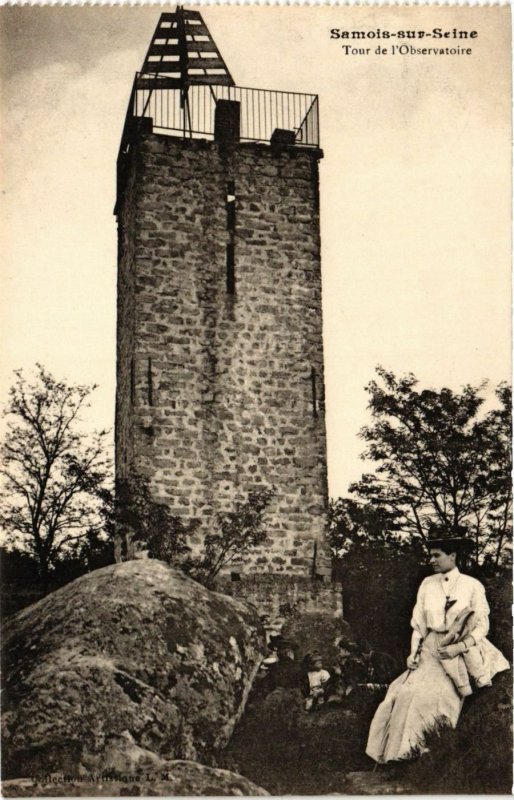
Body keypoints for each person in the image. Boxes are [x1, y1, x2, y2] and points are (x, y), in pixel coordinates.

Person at [366, 530, 510, 764]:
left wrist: (459, 647)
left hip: (461, 649)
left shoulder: (471, 585)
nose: (431, 560)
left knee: (432, 696)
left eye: (436, 555)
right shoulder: (427, 584)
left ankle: (425, 753)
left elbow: (482, 626)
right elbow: (419, 625)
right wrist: (413, 653)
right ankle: (398, 755)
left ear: (452, 556)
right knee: (401, 693)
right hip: (431, 648)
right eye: (430, 556)